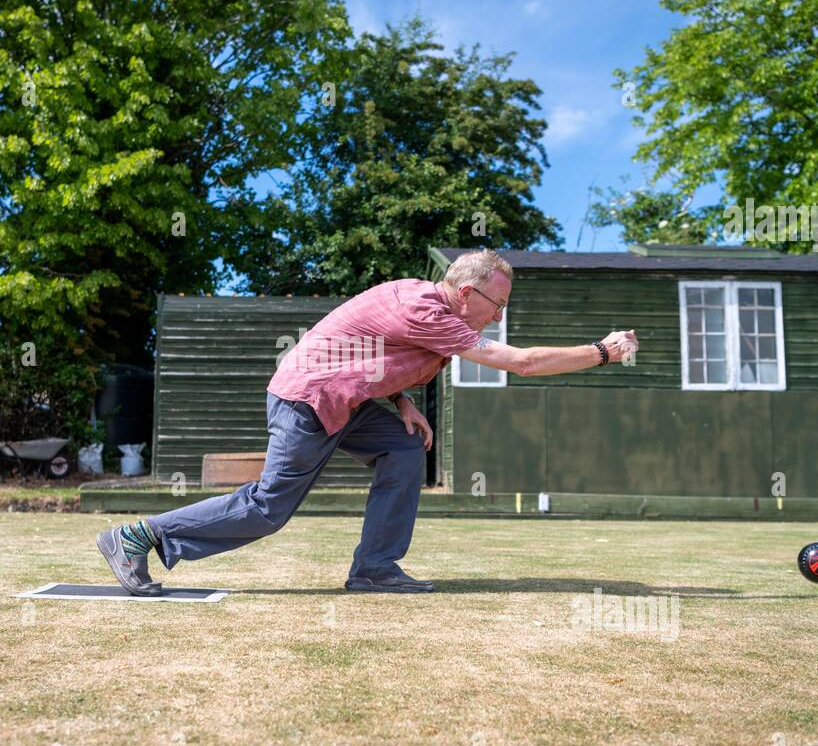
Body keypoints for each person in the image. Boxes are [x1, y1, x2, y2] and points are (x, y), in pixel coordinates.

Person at [97, 248, 639, 594]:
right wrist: (602, 351)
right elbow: (521, 363)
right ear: (468, 293)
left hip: (349, 399)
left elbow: (370, 348)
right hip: (309, 400)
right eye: (498, 305)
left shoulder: (425, 301)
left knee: (404, 449)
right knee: (267, 508)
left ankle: (375, 568)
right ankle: (135, 535)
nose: (499, 315)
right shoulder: (429, 310)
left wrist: (402, 402)